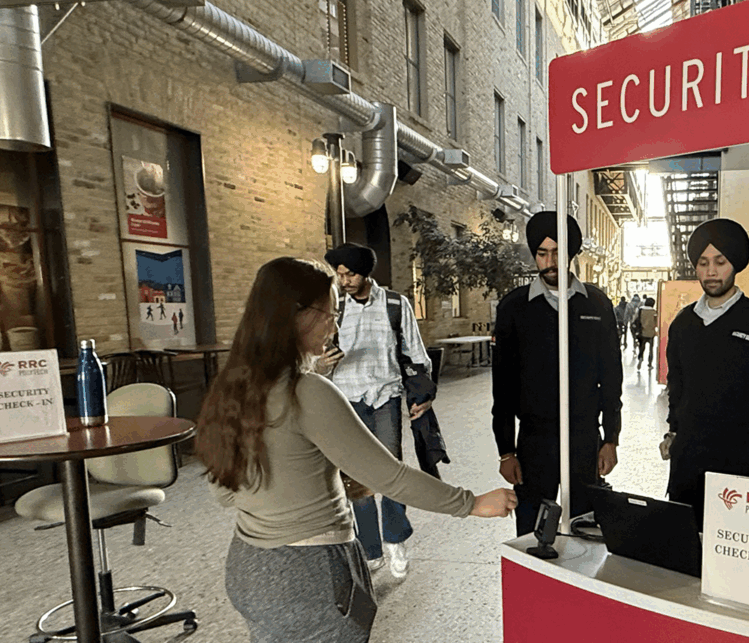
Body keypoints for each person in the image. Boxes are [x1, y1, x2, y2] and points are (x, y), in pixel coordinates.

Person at [198, 256, 514, 643]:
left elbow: (225, 490)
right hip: (310, 575)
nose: (335, 323)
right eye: (329, 313)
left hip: (249, 566)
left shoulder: (231, 385)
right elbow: (390, 476)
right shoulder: (308, 391)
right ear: (296, 316)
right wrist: (472, 503)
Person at [492, 211, 623, 535]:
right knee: (532, 529)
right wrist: (506, 450)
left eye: (557, 252)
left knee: (586, 526)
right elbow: (503, 386)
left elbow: (611, 377)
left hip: (584, 438)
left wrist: (611, 439)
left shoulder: (596, 304)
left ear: (570, 254)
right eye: (542, 253)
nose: (549, 261)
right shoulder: (514, 307)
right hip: (535, 440)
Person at [661, 219, 749, 512]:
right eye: (703, 262)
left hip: (736, 457)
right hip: (687, 458)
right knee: (684, 542)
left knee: (731, 545)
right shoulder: (683, 324)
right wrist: (672, 431)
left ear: (735, 264)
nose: (711, 271)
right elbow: (677, 386)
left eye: (720, 262)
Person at [320, 242, 433, 576]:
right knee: (356, 476)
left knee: (390, 472)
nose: (344, 280)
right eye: (339, 274)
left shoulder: (396, 305)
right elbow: (309, 357)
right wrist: (321, 363)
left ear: (365, 272)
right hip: (346, 399)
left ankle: (395, 538)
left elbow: (415, 352)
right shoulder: (333, 306)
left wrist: (423, 394)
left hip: (386, 396)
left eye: (350, 273)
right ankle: (370, 549)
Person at [633, 296, 658, 368]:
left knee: (642, 347)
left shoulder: (640, 310)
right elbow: (656, 323)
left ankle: (640, 358)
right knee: (651, 349)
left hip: (642, 332)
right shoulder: (654, 311)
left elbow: (635, 319)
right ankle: (650, 363)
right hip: (651, 333)